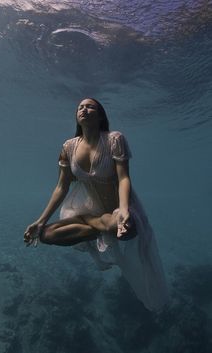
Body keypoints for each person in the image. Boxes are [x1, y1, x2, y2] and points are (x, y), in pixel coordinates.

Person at [24, 98, 169, 311]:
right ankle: (99, 229)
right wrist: (40, 221)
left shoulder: (114, 139)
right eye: (80, 107)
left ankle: (104, 227)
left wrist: (125, 211)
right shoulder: (68, 147)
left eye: (90, 106)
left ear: (101, 115)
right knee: (46, 235)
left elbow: (123, 179)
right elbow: (61, 188)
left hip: (120, 208)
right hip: (89, 210)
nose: (84, 109)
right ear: (77, 116)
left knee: (126, 232)